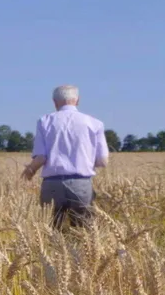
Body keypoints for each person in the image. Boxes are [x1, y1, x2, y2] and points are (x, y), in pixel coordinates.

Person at [21, 85, 109, 228]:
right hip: (81, 184)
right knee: (84, 234)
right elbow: (103, 161)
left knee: (52, 232)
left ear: (54, 102)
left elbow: (41, 157)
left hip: (52, 184)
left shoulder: (44, 121)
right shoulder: (95, 123)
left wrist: (28, 172)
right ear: (77, 100)